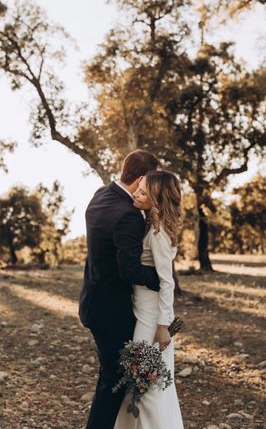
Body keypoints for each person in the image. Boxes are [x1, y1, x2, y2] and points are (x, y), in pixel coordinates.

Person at [79, 149, 161, 429]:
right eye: (150, 181)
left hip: (92, 302)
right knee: (113, 381)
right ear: (140, 179)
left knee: (111, 377)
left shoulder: (100, 195)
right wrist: (161, 278)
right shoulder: (127, 214)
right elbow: (130, 270)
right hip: (112, 311)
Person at [114, 170, 184, 428]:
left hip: (152, 317)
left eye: (143, 191)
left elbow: (167, 281)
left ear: (156, 197)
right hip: (142, 309)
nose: (137, 194)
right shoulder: (152, 225)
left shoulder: (158, 234)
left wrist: (163, 325)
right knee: (141, 380)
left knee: (146, 381)